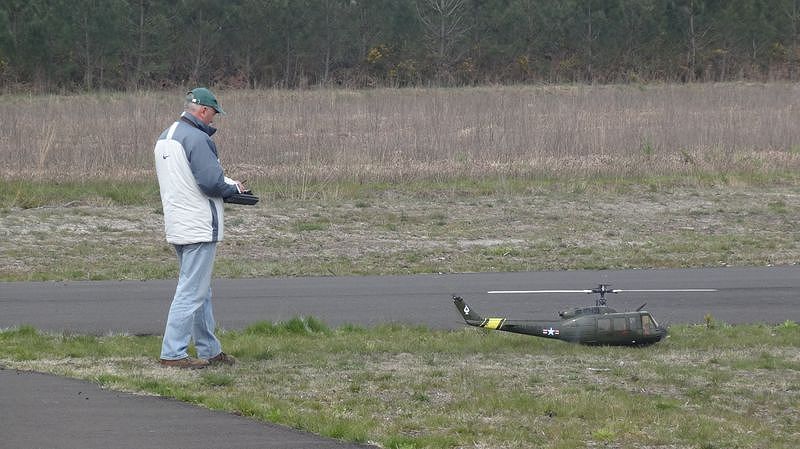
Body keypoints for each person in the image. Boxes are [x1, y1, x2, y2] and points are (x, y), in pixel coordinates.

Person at [153, 87, 243, 369]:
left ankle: (209, 349)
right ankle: (173, 353)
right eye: (214, 113)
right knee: (192, 291)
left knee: (199, 290)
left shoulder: (166, 136)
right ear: (203, 110)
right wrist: (234, 187)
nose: (214, 119)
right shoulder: (197, 138)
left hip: (178, 223)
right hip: (199, 225)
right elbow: (211, 182)